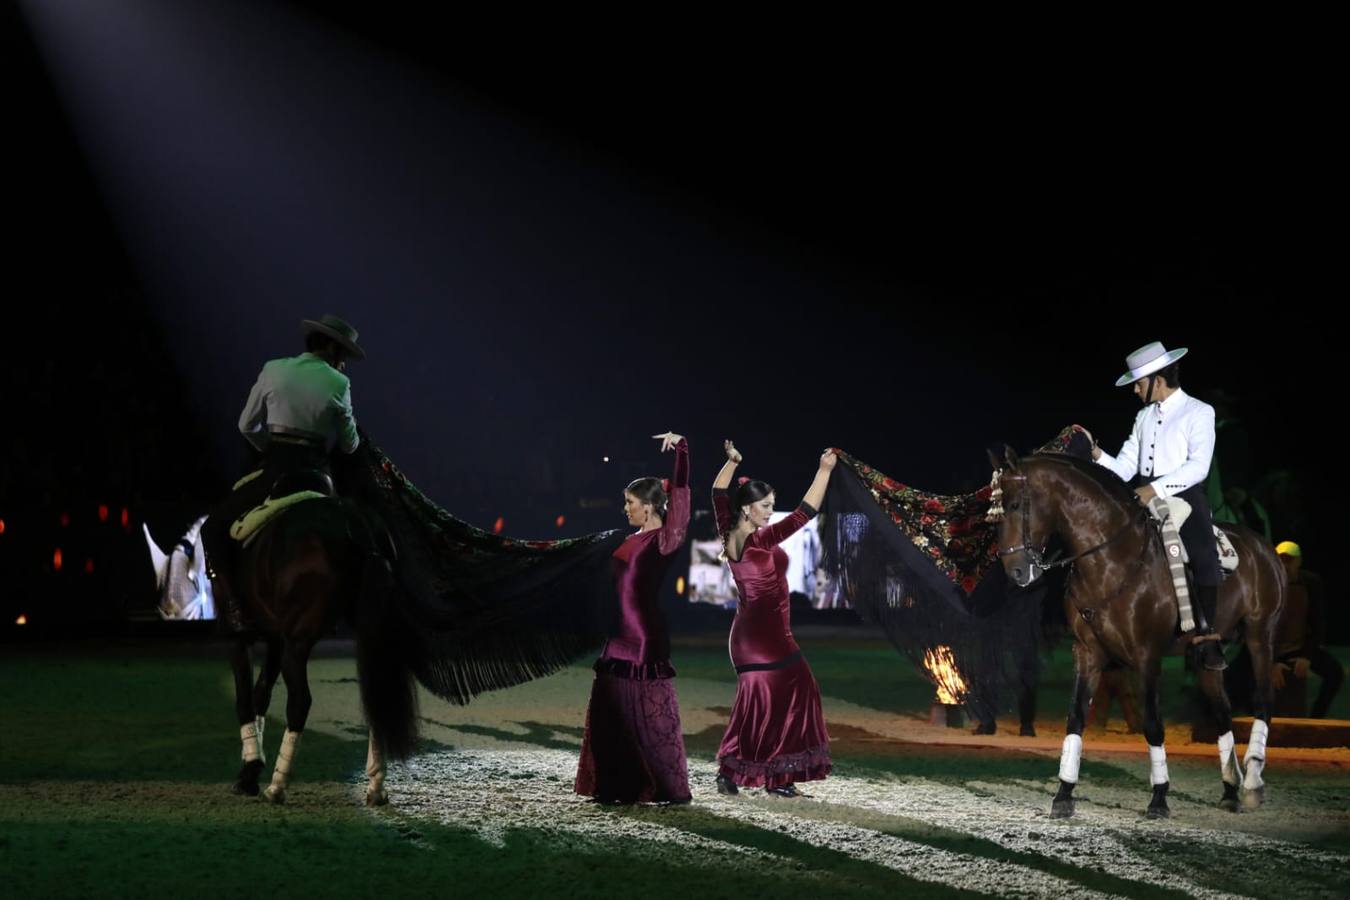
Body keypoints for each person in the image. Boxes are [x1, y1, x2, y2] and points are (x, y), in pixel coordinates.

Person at [202, 314, 363, 629]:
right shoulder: (340, 383)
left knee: (212, 528)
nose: (344, 363)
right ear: (332, 348)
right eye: (343, 354)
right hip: (318, 478)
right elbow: (349, 445)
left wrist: (270, 448)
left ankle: (233, 604)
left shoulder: (273, 369)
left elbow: (246, 425)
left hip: (276, 471)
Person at [1078, 341, 1225, 671]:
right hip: (1143, 495)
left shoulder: (1199, 411)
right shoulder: (1143, 416)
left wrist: (1155, 488)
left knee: (1203, 553)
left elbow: (1199, 467)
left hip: (1183, 494)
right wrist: (1096, 452)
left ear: (1158, 381)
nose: (1135, 390)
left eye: (1138, 384)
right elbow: (1124, 469)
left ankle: (1207, 636)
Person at [711, 440, 834, 797]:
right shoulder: (761, 540)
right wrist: (824, 471)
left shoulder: (727, 530)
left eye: (771, 505)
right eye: (765, 506)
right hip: (765, 638)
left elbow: (718, 492)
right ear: (747, 508)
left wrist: (732, 462)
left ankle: (732, 771)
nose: (770, 512)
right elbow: (805, 512)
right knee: (796, 690)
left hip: (750, 637)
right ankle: (777, 777)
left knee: (760, 704)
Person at [574, 432, 692, 803]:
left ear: (650, 506)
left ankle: (657, 785)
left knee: (648, 718)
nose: (625, 508)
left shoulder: (665, 539)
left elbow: (682, 495)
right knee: (610, 711)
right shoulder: (628, 538)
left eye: (630, 502)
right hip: (616, 634)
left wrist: (682, 450)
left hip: (642, 635)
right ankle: (615, 784)